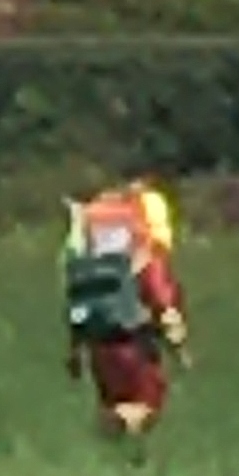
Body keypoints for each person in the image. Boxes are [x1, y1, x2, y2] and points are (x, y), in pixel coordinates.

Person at [61, 179, 191, 438]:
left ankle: (110, 456)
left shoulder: (92, 262)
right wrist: (180, 351)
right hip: (135, 344)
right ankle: (133, 457)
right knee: (146, 407)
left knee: (113, 404)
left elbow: (77, 304)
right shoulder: (147, 260)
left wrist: (75, 352)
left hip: (99, 348)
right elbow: (164, 308)